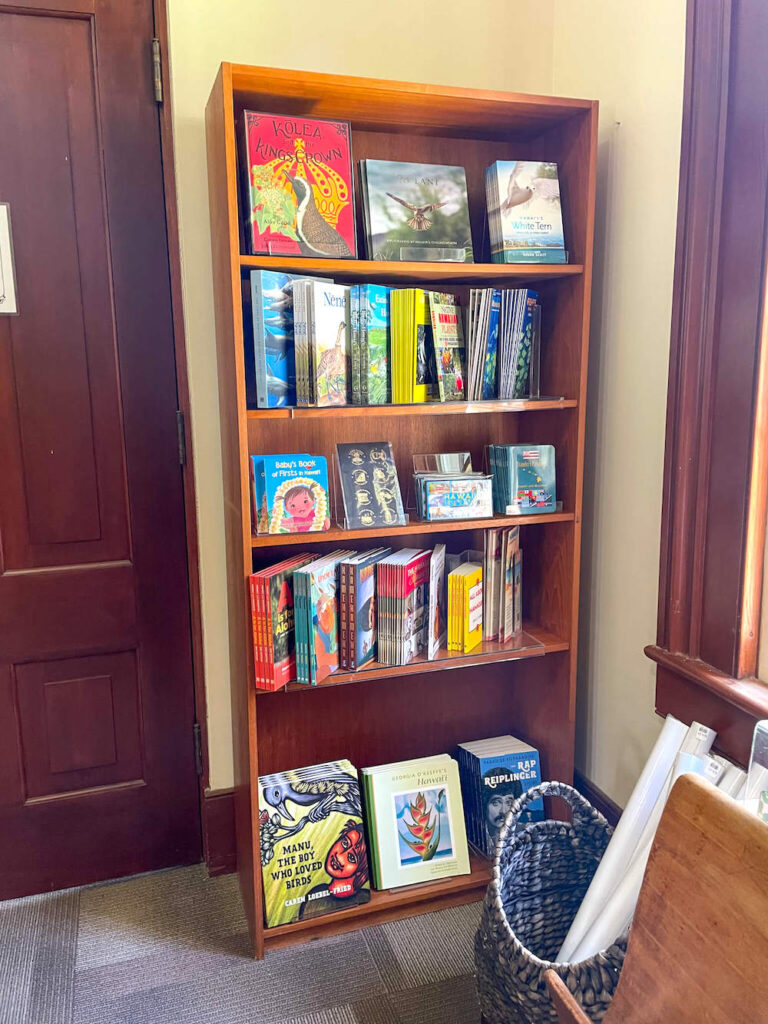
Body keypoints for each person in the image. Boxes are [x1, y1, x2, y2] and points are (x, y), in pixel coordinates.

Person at [298, 820, 370, 919]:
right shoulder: (316, 894)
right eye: (345, 843)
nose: (339, 856)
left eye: (351, 858)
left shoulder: (364, 899)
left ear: (360, 871)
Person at [482, 768, 523, 852]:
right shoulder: (477, 837)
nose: (503, 811)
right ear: (484, 805)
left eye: (509, 802)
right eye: (496, 803)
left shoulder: (524, 833)